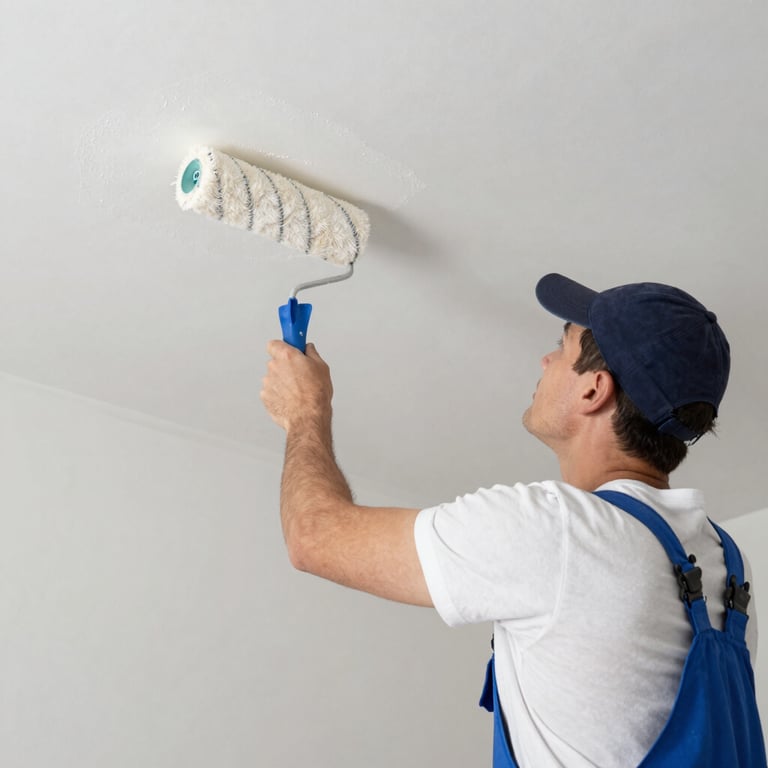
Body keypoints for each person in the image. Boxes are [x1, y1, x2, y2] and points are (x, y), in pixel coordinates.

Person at [260, 272, 760, 767]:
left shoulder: (560, 530)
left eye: (560, 348)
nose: (544, 360)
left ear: (594, 391)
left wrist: (306, 410)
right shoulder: (726, 563)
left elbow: (314, 536)